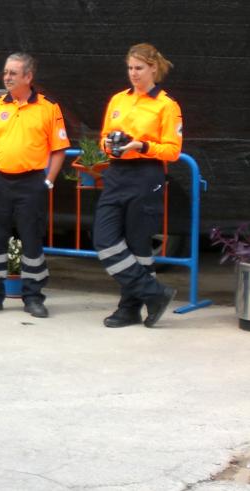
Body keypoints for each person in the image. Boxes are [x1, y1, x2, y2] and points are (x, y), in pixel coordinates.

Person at [0, 52, 69, 318]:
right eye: (5, 72)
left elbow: (59, 150)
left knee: (32, 241)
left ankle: (33, 297)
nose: (7, 77)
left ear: (28, 76)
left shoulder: (48, 108)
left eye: (13, 73)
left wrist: (47, 181)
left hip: (31, 184)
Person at [93, 43, 181, 328]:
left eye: (139, 68)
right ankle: (154, 294)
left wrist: (141, 146)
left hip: (146, 174)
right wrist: (109, 146)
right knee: (104, 240)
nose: (133, 73)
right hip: (118, 172)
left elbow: (172, 150)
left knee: (139, 245)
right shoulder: (119, 99)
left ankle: (129, 308)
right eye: (130, 68)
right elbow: (104, 137)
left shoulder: (167, 105)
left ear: (153, 68)